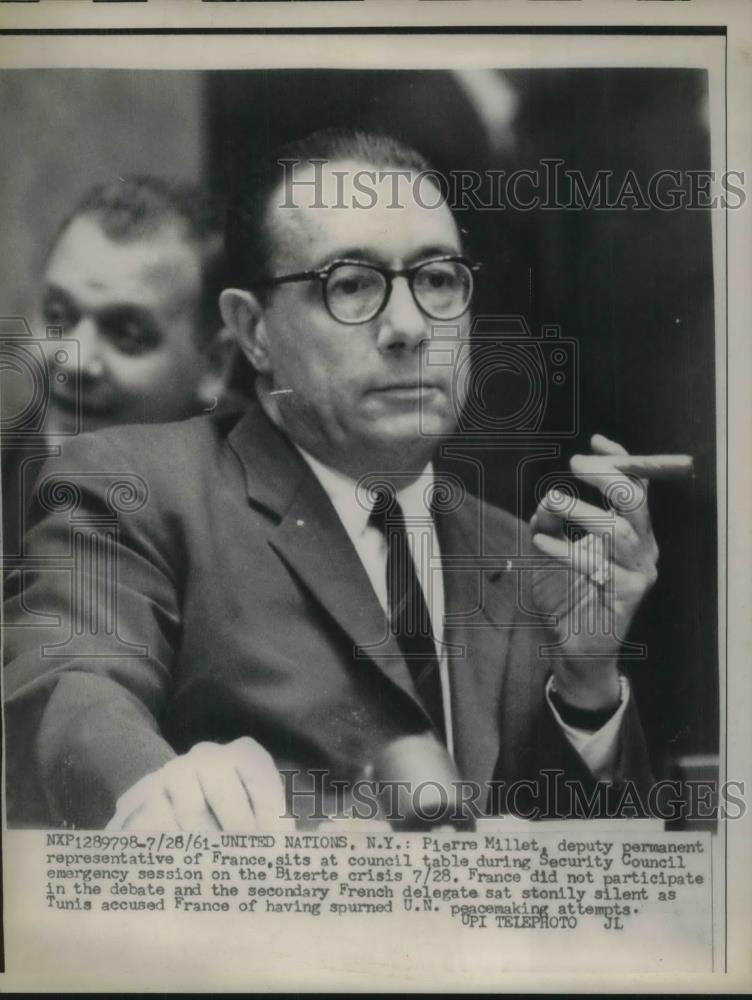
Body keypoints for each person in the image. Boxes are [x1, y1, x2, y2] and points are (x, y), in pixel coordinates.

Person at [3, 130, 658, 830]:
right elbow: (69, 691)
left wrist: (589, 687)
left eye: (437, 279)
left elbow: (604, 882)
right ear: (252, 332)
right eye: (350, 284)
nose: (408, 327)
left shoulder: (522, 554)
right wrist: (164, 794)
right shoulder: (137, 487)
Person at [1, 175, 236, 560]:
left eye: (126, 333)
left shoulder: (263, 519)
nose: (74, 360)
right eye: (58, 314)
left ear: (214, 365)